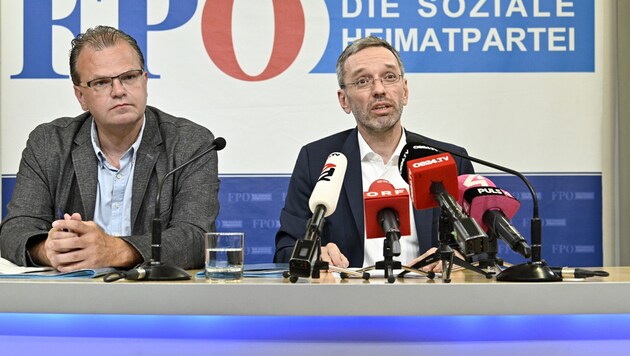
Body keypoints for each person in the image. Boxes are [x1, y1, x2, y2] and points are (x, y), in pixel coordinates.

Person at [0, 26, 219, 272]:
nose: (119, 91)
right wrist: (49, 250)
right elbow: (15, 230)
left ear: (145, 81)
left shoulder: (190, 143)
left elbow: (196, 239)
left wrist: (114, 250)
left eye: (129, 77)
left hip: (160, 300)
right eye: (102, 82)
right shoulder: (50, 144)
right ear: (81, 96)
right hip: (71, 300)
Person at [274, 36, 474, 272]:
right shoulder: (317, 160)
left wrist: (456, 259)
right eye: (363, 81)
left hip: (429, 301)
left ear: (405, 91)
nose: (379, 90)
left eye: (389, 77)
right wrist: (316, 255)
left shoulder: (450, 160)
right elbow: (285, 250)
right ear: (344, 100)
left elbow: (479, 250)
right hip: (347, 304)